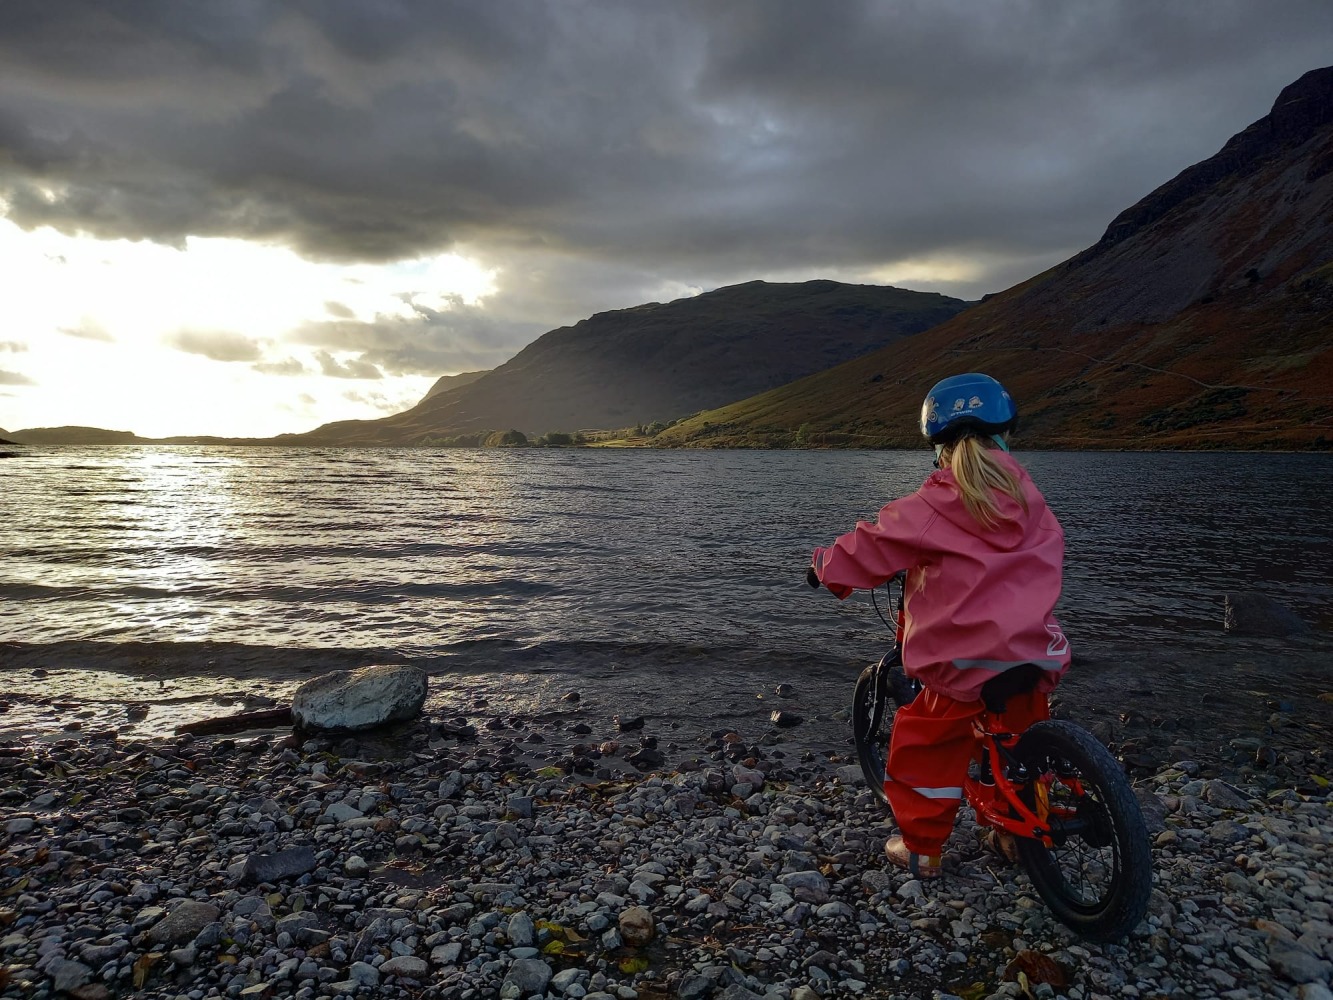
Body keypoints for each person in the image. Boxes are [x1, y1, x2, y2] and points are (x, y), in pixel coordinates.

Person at [808, 372, 1070, 878]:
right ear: (1005, 435)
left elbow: (871, 546)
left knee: (923, 744)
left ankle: (923, 848)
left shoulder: (932, 505)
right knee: (1019, 744)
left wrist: (826, 567)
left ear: (938, 445)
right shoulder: (1032, 502)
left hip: (966, 659)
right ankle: (1016, 831)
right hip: (1034, 652)